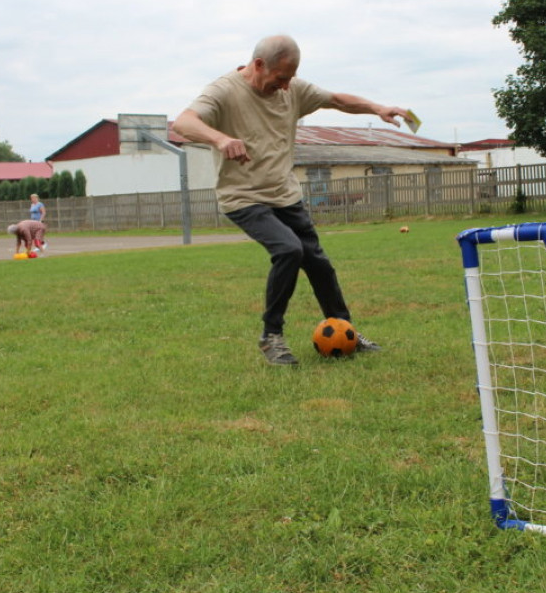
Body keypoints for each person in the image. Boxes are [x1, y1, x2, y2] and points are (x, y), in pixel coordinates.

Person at [172, 34, 412, 366]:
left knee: (319, 265)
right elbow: (184, 122)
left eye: (291, 78)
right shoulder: (224, 91)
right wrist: (220, 138)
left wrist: (377, 108)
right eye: (280, 78)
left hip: (284, 194)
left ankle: (346, 332)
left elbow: (337, 100)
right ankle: (271, 337)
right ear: (258, 65)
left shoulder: (293, 88)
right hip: (243, 197)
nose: (285, 87)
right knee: (288, 250)